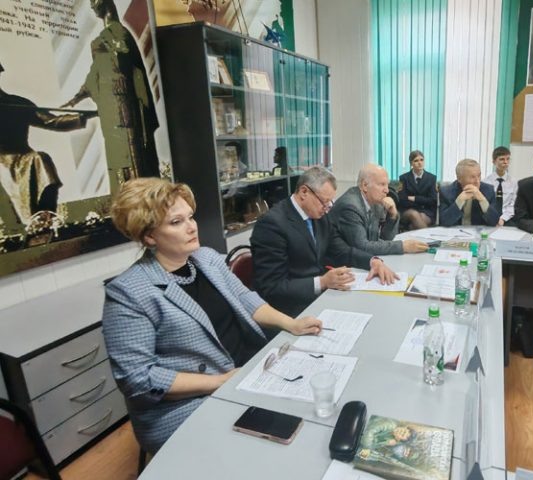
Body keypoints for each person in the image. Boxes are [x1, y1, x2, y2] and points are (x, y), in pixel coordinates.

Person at [101, 177, 322, 454]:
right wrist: (220, 381)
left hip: (247, 372)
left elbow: (246, 299)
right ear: (149, 236)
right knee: (279, 450)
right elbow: (139, 379)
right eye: (176, 222)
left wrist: (293, 323)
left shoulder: (206, 258)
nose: (192, 227)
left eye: (190, 217)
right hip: (189, 403)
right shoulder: (128, 292)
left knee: (314, 411)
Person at [250, 166, 397, 317]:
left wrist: (373, 261)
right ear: (304, 192)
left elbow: (341, 250)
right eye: (324, 202)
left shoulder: (320, 217)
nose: (327, 209)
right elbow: (272, 287)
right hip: (288, 311)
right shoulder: (271, 225)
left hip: (318, 298)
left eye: (330, 203)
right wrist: (322, 282)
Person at [62, 0, 160, 195]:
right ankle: (124, 198)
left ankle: (139, 197)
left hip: (125, 106)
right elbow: (95, 73)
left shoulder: (118, 32)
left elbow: (124, 59)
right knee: (116, 157)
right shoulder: (104, 37)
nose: (92, 6)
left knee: (131, 155)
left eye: (95, 2)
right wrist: (77, 97)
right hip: (110, 110)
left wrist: (107, 42)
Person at [0, 60, 97, 231]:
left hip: (24, 159)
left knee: (40, 159)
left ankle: (45, 218)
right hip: (2, 162)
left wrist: (86, 116)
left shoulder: (18, 103)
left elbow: (52, 121)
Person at [331, 164, 428, 255]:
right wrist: (403, 246)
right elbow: (362, 247)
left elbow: (384, 239)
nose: (387, 190)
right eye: (382, 184)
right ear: (365, 185)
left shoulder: (375, 202)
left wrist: (392, 215)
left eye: (387, 185)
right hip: (340, 263)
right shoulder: (350, 207)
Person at [438, 159, 501, 227]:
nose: (477, 181)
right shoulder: (446, 192)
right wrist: (459, 201)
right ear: (459, 179)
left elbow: (494, 222)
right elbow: (444, 222)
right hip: (455, 232)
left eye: (479, 176)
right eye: (472, 177)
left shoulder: (488, 190)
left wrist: (482, 200)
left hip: (478, 232)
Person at [397, 150, 437, 230]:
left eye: (422, 160)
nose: (420, 163)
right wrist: (423, 200)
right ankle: (430, 237)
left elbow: (433, 200)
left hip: (426, 211)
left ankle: (415, 234)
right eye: (416, 161)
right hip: (408, 211)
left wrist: (414, 198)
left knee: (414, 224)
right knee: (414, 214)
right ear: (411, 163)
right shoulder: (403, 178)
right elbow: (402, 199)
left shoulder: (432, 178)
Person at [482, 146, 517, 226]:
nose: (506, 162)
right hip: (489, 217)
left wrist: (503, 218)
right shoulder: (485, 182)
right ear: (494, 161)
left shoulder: (514, 182)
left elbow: (513, 204)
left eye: (508, 159)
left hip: (507, 218)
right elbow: (485, 204)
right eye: (502, 159)